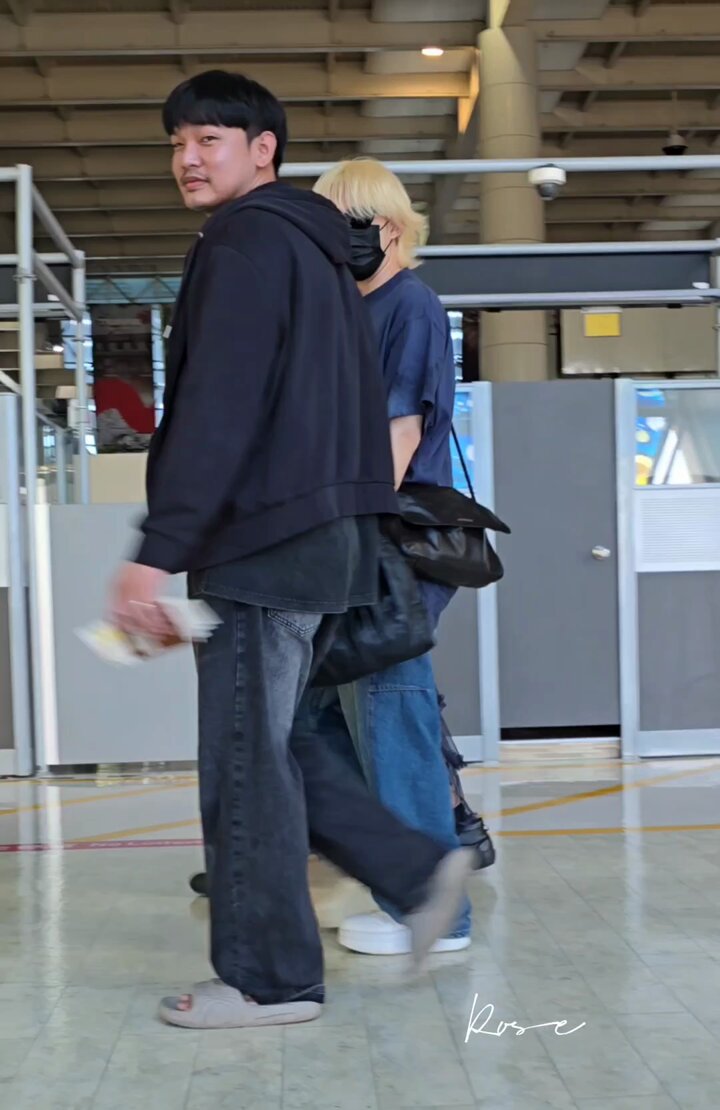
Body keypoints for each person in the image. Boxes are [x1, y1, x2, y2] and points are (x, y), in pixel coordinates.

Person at [109, 70, 472, 1030]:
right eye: (177, 143)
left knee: (243, 758)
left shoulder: (243, 242)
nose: (188, 159)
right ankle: (414, 869)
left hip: (264, 543)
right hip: (319, 540)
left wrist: (159, 549)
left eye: (209, 140)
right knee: (277, 741)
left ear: (263, 149)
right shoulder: (318, 256)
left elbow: (218, 407)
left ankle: (269, 981)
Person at [311, 158, 477, 956]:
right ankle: (387, 873)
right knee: (331, 715)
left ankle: (432, 910)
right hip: (358, 540)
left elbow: (397, 440)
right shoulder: (353, 311)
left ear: (390, 228)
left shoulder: (409, 305)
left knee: (391, 712)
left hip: (391, 545)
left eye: (346, 223)